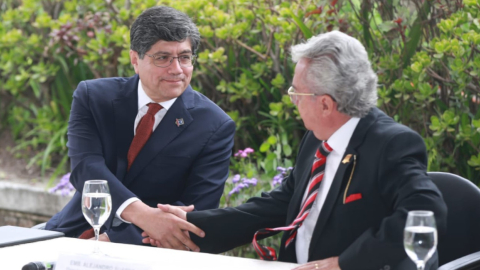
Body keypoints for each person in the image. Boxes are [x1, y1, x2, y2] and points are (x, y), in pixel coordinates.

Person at [142, 31, 447, 270]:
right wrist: (190, 226)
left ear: (325, 103)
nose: (292, 100)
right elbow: (281, 203)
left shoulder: (391, 144)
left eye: (296, 92)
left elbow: (428, 212)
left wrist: (345, 264)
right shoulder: (318, 137)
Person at [45, 6, 235, 246]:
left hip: (151, 246)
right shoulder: (93, 96)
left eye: (184, 58)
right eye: (163, 58)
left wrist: (115, 240)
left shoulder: (215, 125)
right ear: (135, 59)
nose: (177, 69)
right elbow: (87, 168)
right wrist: (144, 215)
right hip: (76, 229)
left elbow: (196, 208)